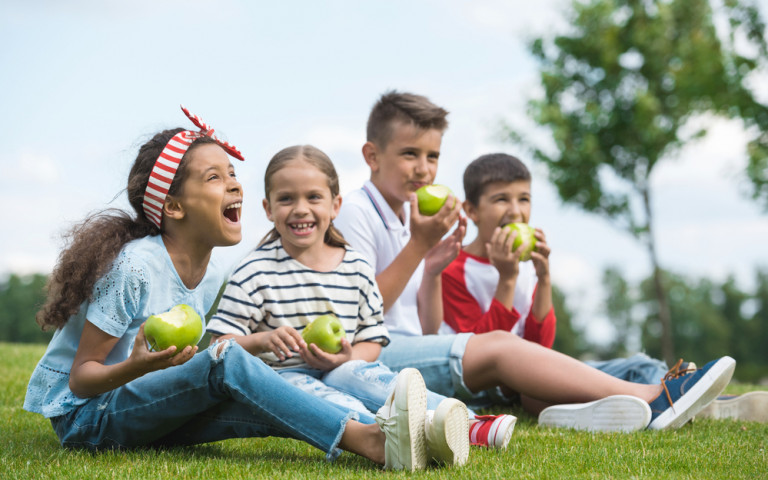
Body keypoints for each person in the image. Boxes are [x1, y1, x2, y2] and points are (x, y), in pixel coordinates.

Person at [22, 106, 434, 471]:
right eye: (215, 177)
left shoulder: (214, 271)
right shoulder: (134, 267)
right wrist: (139, 366)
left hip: (140, 405)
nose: (235, 184)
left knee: (256, 389)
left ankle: (408, 435)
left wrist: (254, 345)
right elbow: (81, 380)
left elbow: (184, 368)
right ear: (174, 206)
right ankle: (369, 441)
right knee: (226, 361)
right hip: (88, 418)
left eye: (233, 174)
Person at [332, 90, 737, 432]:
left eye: (432, 156)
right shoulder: (356, 211)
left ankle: (679, 395)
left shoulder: (410, 216)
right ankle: (656, 397)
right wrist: (419, 249)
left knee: (620, 363)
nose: (424, 169)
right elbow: (359, 315)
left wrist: (431, 267)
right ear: (372, 155)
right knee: (504, 348)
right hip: (374, 356)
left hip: (412, 345)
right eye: (409, 154)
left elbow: (427, 328)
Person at [205, 144, 513, 465]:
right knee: (310, 393)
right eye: (286, 199)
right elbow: (219, 348)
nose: (300, 208)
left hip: (341, 366)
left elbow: (372, 338)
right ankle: (391, 435)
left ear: (336, 205)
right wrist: (261, 340)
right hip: (282, 377)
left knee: (361, 374)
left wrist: (347, 356)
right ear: (268, 209)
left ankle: (470, 424)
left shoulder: (355, 267)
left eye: (313, 197)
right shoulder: (255, 271)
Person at [444, 152, 768, 423]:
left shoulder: (524, 265)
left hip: (532, 374)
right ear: (471, 210)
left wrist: (543, 279)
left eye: (524, 198)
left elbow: (540, 344)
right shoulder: (455, 269)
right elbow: (479, 351)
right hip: (502, 389)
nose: (515, 210)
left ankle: (704, 402)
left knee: (642, 365)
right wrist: (507, 279)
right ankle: (680, 402)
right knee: (541, 392)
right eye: (501, 199)